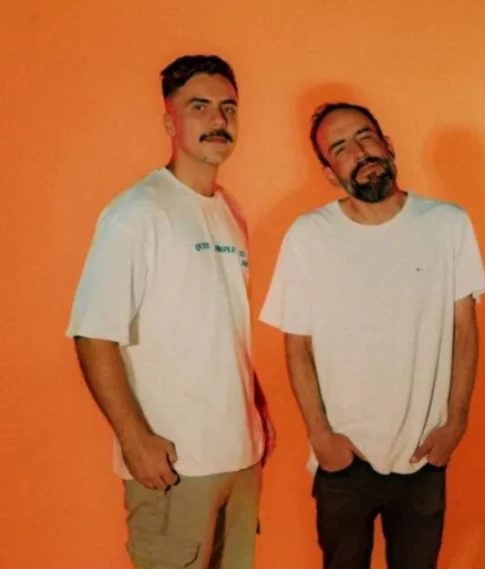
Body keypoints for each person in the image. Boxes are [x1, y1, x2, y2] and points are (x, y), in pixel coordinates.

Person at [259, 102, 485, 569]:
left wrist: (456, 422)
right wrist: (321, 436)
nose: (358, 151)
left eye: (364, 136)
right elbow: (296, 344)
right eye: (339, 148)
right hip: (345, 456)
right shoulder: (310, 236)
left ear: (388, 145)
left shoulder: (448, 224)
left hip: (423, 453)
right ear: (328, 172)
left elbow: (465, 329)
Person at [66, 54, 272, 569]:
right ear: (169, 122)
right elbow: (93, 334)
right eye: (198, 106)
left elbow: (221, 326)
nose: (217, 120)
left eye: (228, 107)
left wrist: (258, 411)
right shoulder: (137, 213)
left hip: (241, 457)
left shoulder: (230, 211)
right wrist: (134, 439)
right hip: (175, 463)